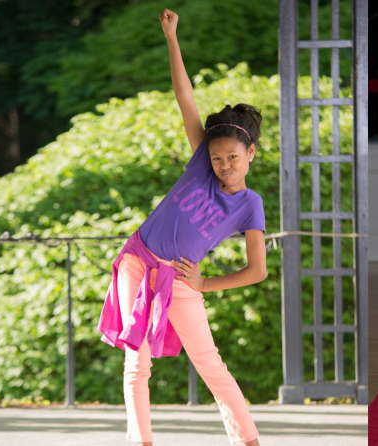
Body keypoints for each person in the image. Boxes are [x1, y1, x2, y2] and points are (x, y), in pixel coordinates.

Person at [97, 9, 267, 446]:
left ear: (251, 153)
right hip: (138, 260)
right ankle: (142, 442)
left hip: (181, 280)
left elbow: (257, 271)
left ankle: (248, 440)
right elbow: (184, 96)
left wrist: (205, 282)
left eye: (233, 157)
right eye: (216, 157)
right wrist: (172, 37)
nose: (223, 164)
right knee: (136, 363)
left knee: (210, 364)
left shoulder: (250, 205)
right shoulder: (200, 164)